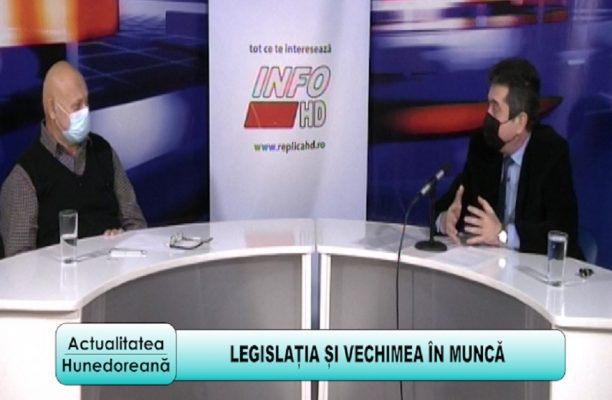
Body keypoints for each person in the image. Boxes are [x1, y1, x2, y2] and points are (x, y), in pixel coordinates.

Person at [435, 57, 584, 259]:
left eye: (495, 108)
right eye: (488, 105)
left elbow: (563, 229)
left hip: (536, 272)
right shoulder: (481, 146)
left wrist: (503, 235)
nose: (487, 114)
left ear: (520, 122)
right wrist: (445, 219)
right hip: (490, 268)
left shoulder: (551, 153)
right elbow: (447, 205)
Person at [0, 61, 147, 257]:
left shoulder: (103, 151)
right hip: (59, 275)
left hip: (115, 270)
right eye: (77, 106)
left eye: (87, 103)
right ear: (53, 110)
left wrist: (125, 241)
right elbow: (20, 264)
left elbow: (136, 224)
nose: (85, 111)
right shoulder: (24, 178)